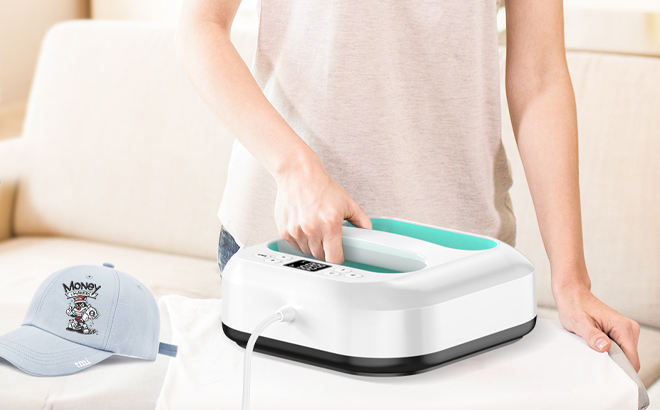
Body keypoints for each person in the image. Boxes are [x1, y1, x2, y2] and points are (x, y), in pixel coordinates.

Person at [175, 0, 641, 371]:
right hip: (289, 248)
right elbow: (201, 25)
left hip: (461, 268)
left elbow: (539, 76)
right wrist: (295, 168)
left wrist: (572, 281)